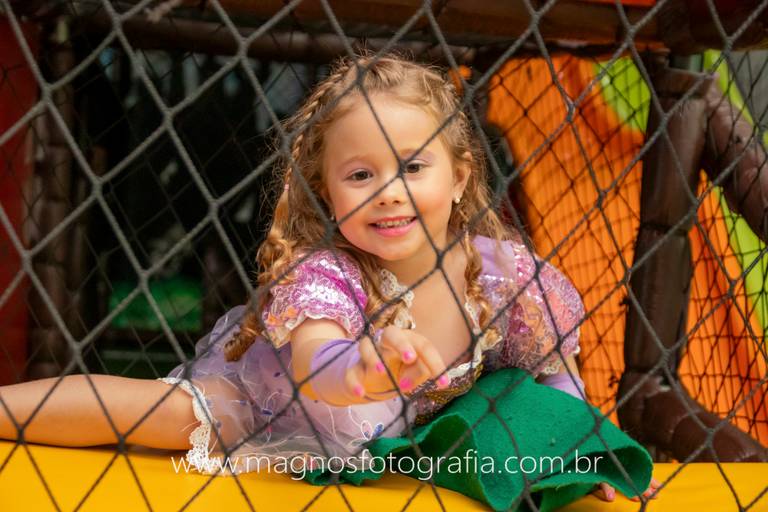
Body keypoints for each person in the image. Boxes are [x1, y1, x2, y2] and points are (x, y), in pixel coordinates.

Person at [0, 51, 659, 502]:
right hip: (272, 406)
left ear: (460, 177)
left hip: (395, 440)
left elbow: (552, 371)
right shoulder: (328, 271)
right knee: (160, 413)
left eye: (413, 167)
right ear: (328, 193)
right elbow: (316, 363)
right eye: (361, 174)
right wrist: (365, 368)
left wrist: (583, 450)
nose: (389, 192)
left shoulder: (504, 277)